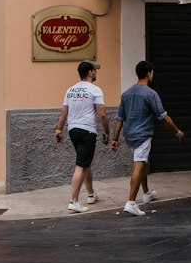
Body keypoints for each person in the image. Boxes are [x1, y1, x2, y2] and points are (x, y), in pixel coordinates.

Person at [110, 60, 184, 216]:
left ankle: (146, 193)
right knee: (139, 164)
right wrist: (177, 131)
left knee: (142, 161)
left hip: (129, 135)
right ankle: (131, 202)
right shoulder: (151, 93)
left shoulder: (126, 94)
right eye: (152, 73)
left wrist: (115, 139)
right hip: (142, 134)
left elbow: (119, 118)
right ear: (149, 73)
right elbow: (163, 117)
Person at [55, 60, 110, 212]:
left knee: (85, 162)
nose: (96, 73)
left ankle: (91, 193)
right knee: (80, 165)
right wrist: (107, 132)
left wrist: (59, 131)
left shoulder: (70, 90)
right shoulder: (95, 90)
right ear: (90, 73)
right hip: (87, 131)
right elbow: (102, 114)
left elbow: (63, 113)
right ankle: (74, 201)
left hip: (73, 130)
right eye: (95, 70)